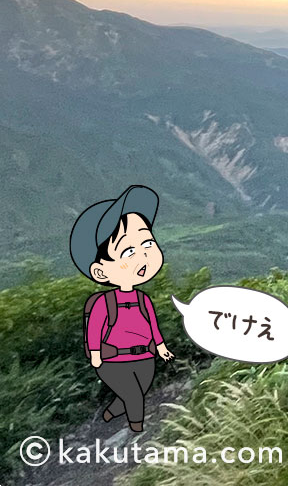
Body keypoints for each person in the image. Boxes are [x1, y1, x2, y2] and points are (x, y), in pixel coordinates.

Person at [69, 185, 175, 433]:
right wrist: (96, 354)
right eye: (128, 251)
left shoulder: (142, 299)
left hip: (144, 357)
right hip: (113, 360)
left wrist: (160, 347)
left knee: (138, 391)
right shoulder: (104, 302)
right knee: (135, 395)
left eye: (147, 243)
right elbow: (94, 328)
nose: (143, 255)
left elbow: (152, 325)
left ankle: (110, 414)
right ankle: (140, 433)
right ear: (100, 272)